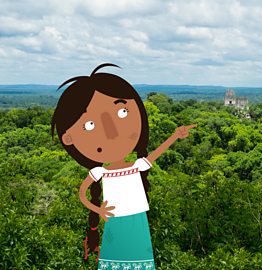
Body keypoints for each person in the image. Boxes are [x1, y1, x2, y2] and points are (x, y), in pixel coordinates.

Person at [51, 63, 196, 269]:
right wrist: (98, 209)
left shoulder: (133, 166)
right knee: (116, 259)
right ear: (69, 138)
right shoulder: (100, 171)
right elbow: (82, 193)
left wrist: (174, 136)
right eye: (90, 125)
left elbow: (154, 155)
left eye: (122, 112)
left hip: (137, 219)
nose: (111, 132)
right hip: (116, 220)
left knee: (140, 258)